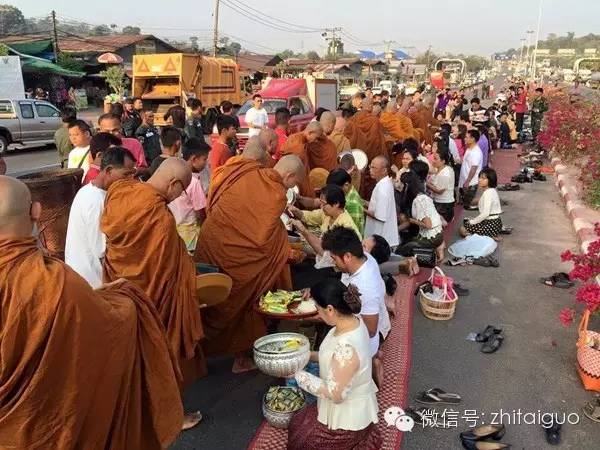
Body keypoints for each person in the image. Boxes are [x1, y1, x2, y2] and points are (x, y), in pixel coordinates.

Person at [0, 175, 182, 449]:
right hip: (44, 425)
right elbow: (107, 324)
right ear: (36, 211)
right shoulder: (50, 281)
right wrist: (124, 296)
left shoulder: (53, 285)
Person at [101, 158, 206, 405]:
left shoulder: (120, 192)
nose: (180, 195)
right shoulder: (159, 217)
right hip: (155, 298)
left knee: (133, 349)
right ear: (174, 184)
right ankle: (166, 410)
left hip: (123, 289)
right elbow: (168, 269)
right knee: (161, 347)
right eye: (181, 190)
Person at [194, 155, 306, 373]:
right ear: (289, 175)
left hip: (213, 245)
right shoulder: (276, 194)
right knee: (247, 302)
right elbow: (261, 240)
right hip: (240, 260)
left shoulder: (249, 174)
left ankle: (197, 353)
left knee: (212, 301)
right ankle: (242, 359)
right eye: (295, 182)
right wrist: (286, 251)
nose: (293, 187)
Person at [287, 279, 381, 450]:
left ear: (330, 309)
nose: (317, 312)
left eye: (318, 308)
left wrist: (296, 374)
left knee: (302, 442)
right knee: (297, 423)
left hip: (348, 419)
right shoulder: (350, 322)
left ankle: (356, 440)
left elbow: (335, 394)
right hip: (342, 402)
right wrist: (303, 356)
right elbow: (328, 355)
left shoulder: (347, 348)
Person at [321, 226, 390, 379]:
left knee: (329, 361)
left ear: (347, 257)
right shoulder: (364, 257)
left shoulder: (366, 285)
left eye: (334, 259)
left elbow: (371, 330)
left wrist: (336, 319)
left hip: (369, 337)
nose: (333, 263)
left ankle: (370, 364)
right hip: (373, 320)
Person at [65, 147, 136, 288]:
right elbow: (102, 250)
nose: (130, 179)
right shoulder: (96, 202)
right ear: (109, 171)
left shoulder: (88, 191)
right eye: (126, 174)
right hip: (93, 280)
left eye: (132, 174)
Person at [289, 184, 361, 256]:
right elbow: (309, 216)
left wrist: (304, 231)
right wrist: (295, 210)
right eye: (321, 203)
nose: (321, 207)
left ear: (336, 204)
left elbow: (327, 255)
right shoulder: (328, 214)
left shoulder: (345, 227)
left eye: (324, 204)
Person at [168, 138, 210, 252]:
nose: (206, 163)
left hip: (175, 229)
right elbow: (200, 211)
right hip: (190, 231)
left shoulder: (174, 174)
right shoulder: (194, 182)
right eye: (204, 159)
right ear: (194, 159)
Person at [396, 164, 444, 258]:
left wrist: (413, 221)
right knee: (407, 241)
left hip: (431, 238)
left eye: (400, 183)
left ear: (407, 186)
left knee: (400, 251)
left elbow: (428, 225)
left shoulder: (419, 201)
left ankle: (431, 249)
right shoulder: (421, 195)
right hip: (437, 234)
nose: (399, 185)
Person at [281, 121, 324, 197]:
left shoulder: (298, 139)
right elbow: (296, 170)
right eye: (316, 138)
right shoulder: (298, 146)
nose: (316, 141)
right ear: (310, 133)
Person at [364, 155, 399, 247]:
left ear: (384, 170)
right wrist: (362, 202)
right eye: (370, 167)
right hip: (384, 237)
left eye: (374, 168)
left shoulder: (382, 188)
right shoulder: (385, 183)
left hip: (381, 240)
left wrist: (360, 209)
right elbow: (377, 205)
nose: (370, 170)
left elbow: (379, 216)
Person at [460, 168, 503, 238]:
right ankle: (490, 235)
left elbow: (485, 214)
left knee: (462, 229)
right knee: (467, 220)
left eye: (483, 178)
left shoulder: (487, 193)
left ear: (490, 180)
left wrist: (472, 222)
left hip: (491, 224)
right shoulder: (492, 190)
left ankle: (483, 237)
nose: (480, 180)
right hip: (496, 223)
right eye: (479, 177)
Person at [326, 168, 365, 235]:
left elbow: (352, 233)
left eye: (335, 189)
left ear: (346, 185)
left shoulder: (352, 205)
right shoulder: (347, 193)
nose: (332, 191)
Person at [427, 145, 455, 222]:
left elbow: (439, 191)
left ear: (443, 161)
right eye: (433, 158)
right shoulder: (438, 169)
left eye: (436, 159)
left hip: (443, 205)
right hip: (437, 201)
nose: (433, 161)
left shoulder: (445, 174)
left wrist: (426, 183)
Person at [459, 129, 483, 209]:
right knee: (465, 202)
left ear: (472, 139)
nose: (464, 139)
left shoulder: (476, 152)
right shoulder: (469, 149)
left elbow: (474, 168)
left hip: (471, 182)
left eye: (466, 137)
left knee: (468, 204)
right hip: (466, 180)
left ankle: (487, 200)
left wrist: (467, 181)